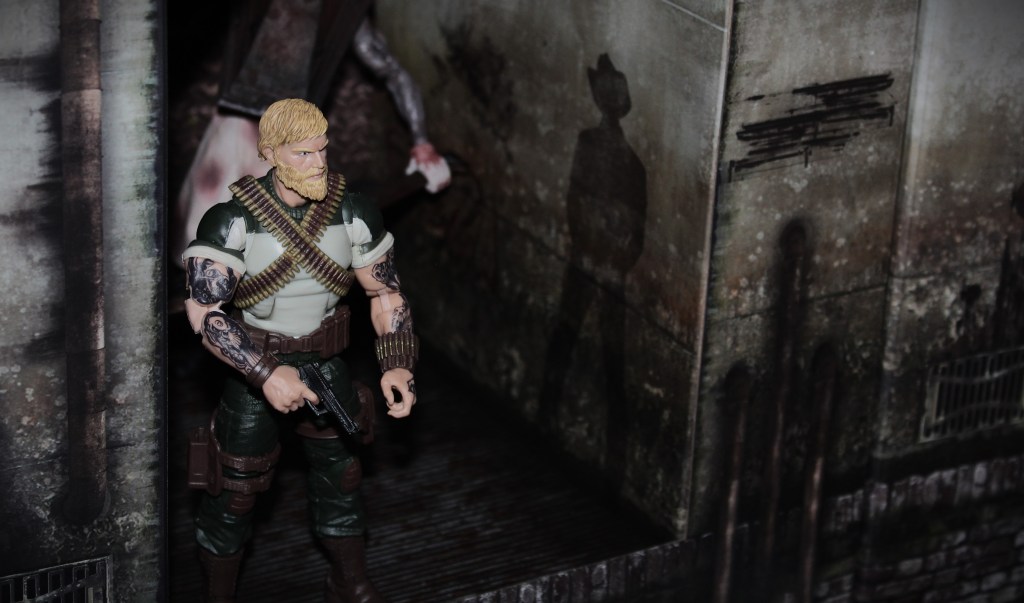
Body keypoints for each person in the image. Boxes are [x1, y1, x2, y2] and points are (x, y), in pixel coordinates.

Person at [182, 98, 417, 603]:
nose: (318, 163)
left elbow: (385, 294)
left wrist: (397, 363)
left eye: (322, 150)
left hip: (325, 365)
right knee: (235, 492)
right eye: (302, 154)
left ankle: (348, 582)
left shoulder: (353, 213)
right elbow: (205, 313)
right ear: (269, 153)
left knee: (343, 476)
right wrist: (265, 373)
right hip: (254, 373)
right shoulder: (232, 221)